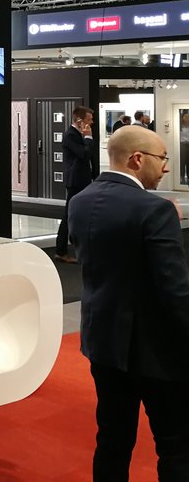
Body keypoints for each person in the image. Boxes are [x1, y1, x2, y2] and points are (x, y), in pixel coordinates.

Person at [69, 125, 189, 481]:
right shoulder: (155, 210)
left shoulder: (80, 201)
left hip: (103, 342)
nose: (166, 167)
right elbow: (175, 290)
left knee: (112, 439)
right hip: (156, 350)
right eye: (162, 158)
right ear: (137, 159)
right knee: (176, 447)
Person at [56, 105, 95, 264]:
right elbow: (83, 154)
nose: (91, 122)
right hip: (75, 180)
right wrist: (88, 138)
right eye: (89, 119)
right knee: (69, 214)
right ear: (79, 120)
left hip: (84, 179)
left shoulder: (79, 134)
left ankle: (77, 245)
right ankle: (61, 251)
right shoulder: (70, 135)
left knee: (79, 213)